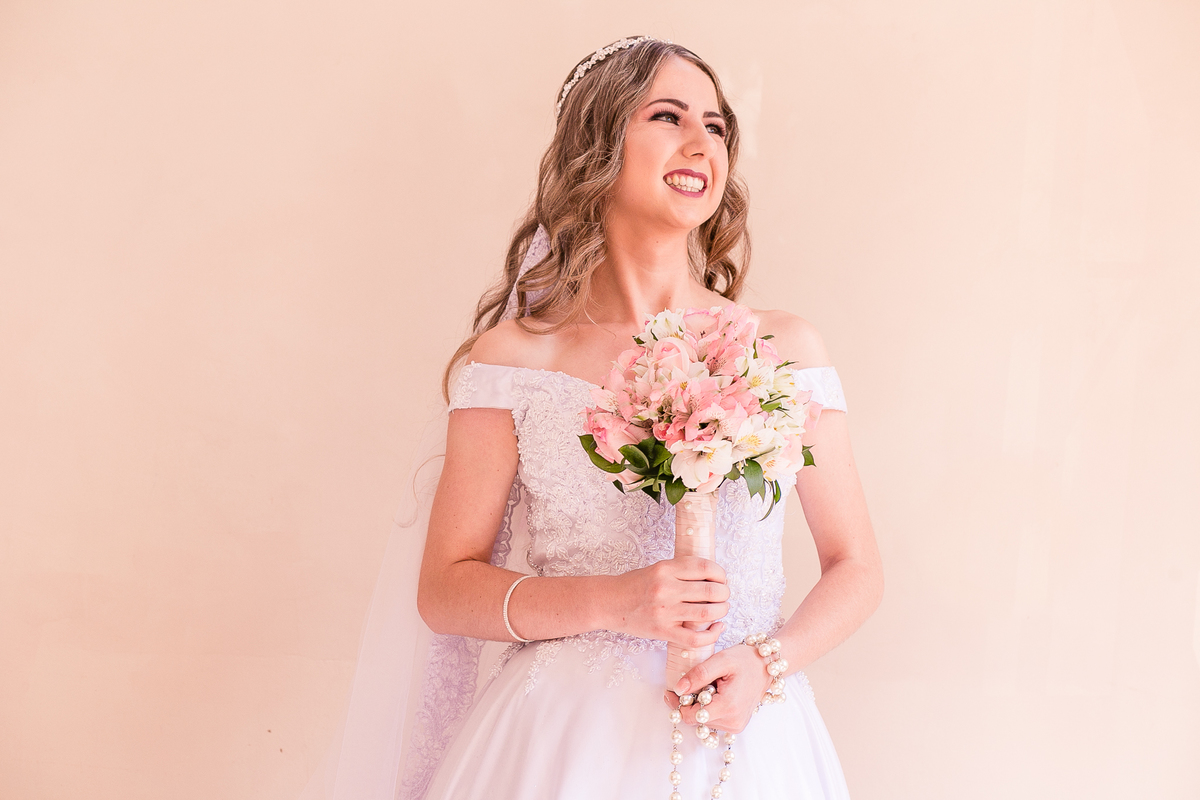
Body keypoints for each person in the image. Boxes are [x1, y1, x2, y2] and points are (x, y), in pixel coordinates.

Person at [302, 36, 882, 800]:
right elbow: (444, 589)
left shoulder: (783, 349)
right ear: (599, 144)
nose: (700, 142)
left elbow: (857, 566)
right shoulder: (517, 359)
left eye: (715, 125)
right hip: (560, 747)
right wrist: (616, 602)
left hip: (747, 741)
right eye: (668, 116)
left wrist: (768, 663)